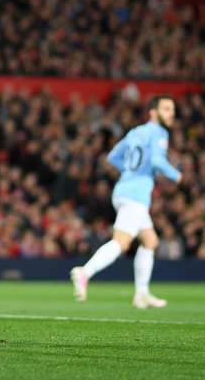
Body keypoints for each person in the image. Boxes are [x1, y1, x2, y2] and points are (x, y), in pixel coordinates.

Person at [70, 96, 182, 308]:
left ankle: (141, 294)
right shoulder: (159, 132)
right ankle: (85, 272)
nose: (172, 113)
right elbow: (158, 161)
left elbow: (113, 156)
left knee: (150, 241)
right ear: (153, 112)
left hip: (123, 190)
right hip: (136, 196)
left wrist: (131, 172)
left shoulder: (135, 132)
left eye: (172, 109)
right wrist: (177, 175)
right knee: (121, 243)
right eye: (167, 109)